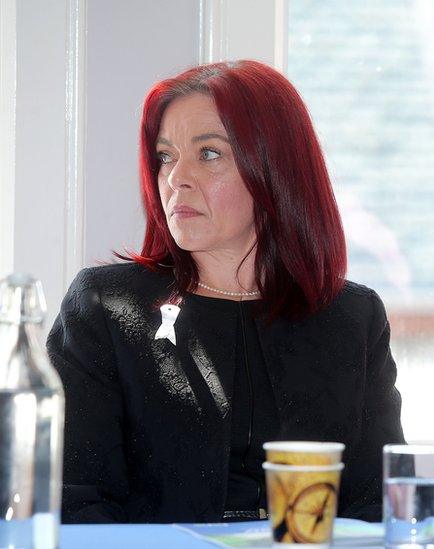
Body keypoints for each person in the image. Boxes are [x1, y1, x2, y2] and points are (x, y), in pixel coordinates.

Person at [47, 60, 405, 524]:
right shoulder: (107, 307)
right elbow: (71, 501)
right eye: (166, 156)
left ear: (275, 170)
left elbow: (377, 505)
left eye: (209, 153)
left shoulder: (352, 317)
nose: (176, 178)